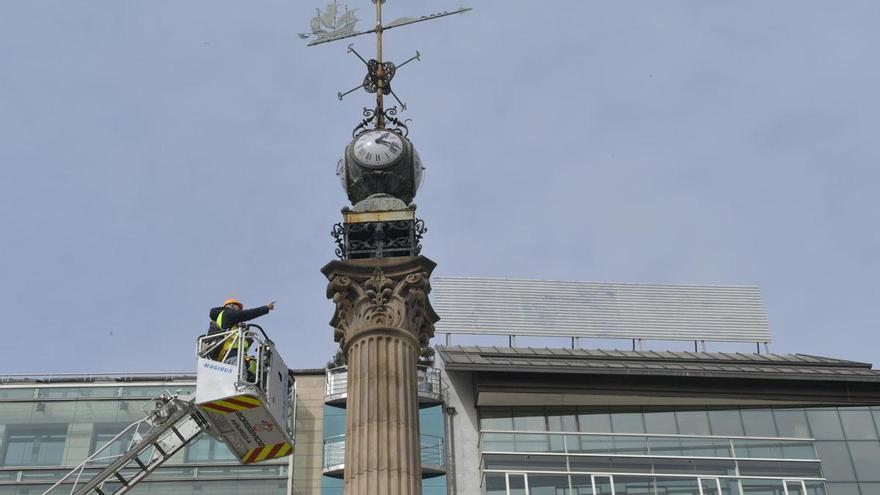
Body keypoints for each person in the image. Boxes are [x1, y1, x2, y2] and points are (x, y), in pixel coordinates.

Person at [208, 298, 276, 379]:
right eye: (238, 308)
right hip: (231, 352)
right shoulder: (228, 313)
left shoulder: (225, 320)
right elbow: (247, 314)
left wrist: (248, 339)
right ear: (231, 305)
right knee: (241, 380)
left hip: (225, 355)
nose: (239, 311)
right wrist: (266, 308)